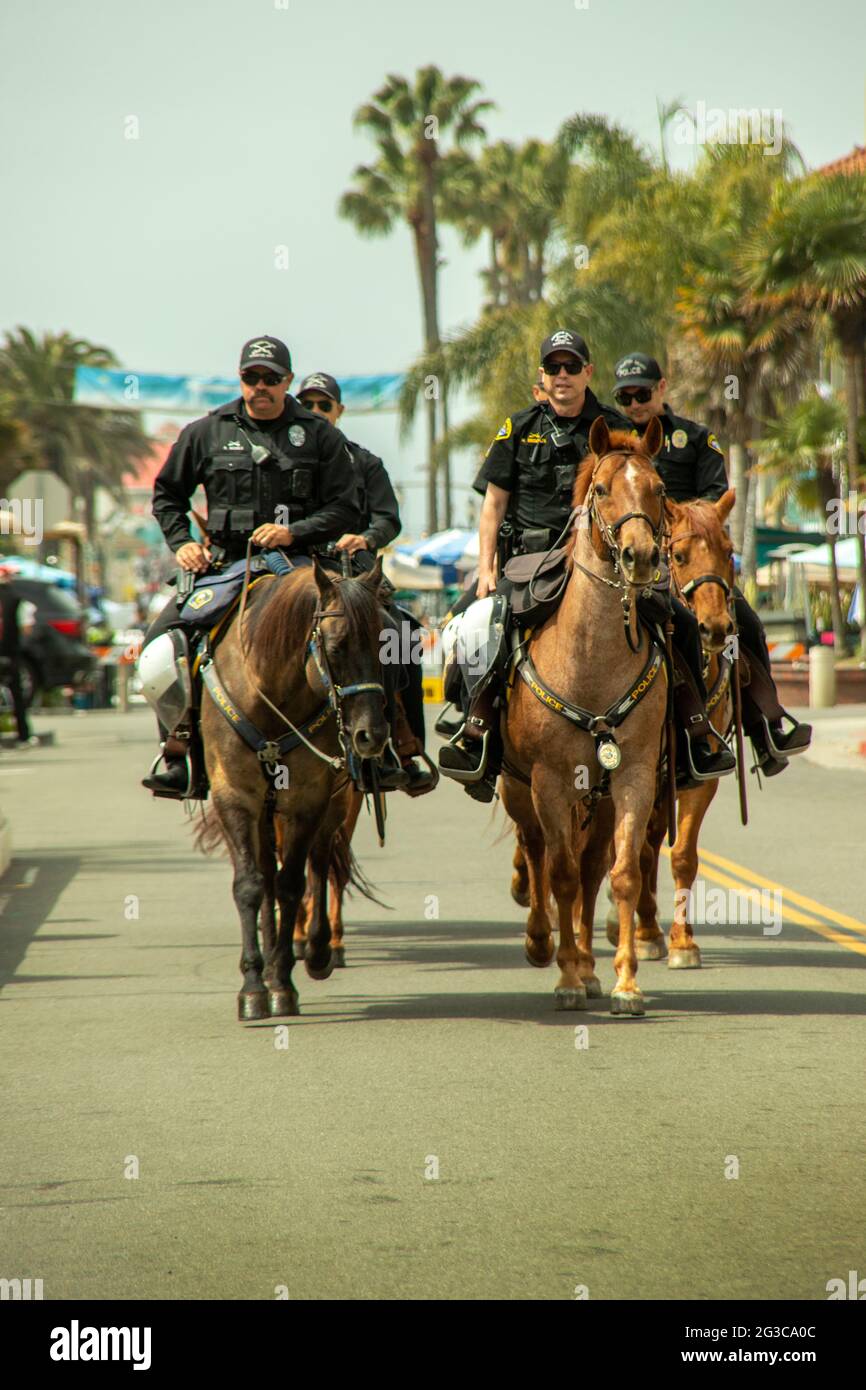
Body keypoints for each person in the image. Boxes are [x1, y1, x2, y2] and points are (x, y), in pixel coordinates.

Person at [438, 328, 736, 801]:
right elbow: (493, 505)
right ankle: (476, 732)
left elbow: (643, 489)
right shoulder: (517, 429)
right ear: (543, 375)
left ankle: (696, 733)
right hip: (529, 562)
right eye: (553, 367)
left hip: (605, 560)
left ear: (586, 373)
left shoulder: (615, 426)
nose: (562, 375)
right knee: (475, 625)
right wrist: (487, 566)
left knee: (675, 618)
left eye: (571, 366)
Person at [140, 335, 363, 796]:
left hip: (300, 564)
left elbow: (347, 508)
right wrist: (182, 543)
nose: (260, 386)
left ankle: (382, 746)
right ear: (240, 378)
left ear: (287, 382)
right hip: (223, 565)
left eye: (271, 378)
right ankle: (178, 749)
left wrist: (293, 531)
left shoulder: (320, 435)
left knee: (376, 628)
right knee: (160, 644)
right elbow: (167, 496)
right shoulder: (207, 432)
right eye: (251, 377)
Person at [613, 352, 812, 776]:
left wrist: (680, 522)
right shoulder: (614, 446)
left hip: (693, 552)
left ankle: (765, 727)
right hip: (637, 558)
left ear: (661, 388)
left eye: (641, 393)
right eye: (625, 397)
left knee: (748, 623)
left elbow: (715, 497)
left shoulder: (695, 438)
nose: (634, 404)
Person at [296, 371, 435, 795]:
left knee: (404, 633)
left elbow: (388, 518)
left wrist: (367, 538)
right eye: (308, 405)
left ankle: (403, 745)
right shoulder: (287, 463)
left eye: (325, 405)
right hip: (296, 573)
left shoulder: (365, 462)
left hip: (356, 576)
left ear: (339, 411)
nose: (316, 412)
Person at [0, 565, 39, 747]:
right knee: (17, 694)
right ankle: (23, 735)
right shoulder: (17, 599)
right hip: (10, 653)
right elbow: (26, 627)